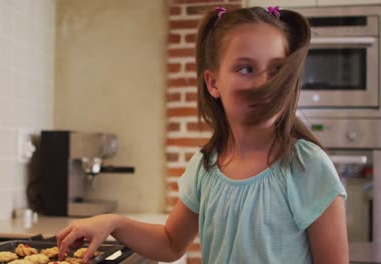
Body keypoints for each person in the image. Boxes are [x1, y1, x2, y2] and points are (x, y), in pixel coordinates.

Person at [56, 6, 349, 263]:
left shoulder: (306, 166)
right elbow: (171, 243)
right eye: (246, 68)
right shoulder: (205, 166)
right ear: (213, 83)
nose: (264, 83)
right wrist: (113, 223)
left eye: (276, 70)